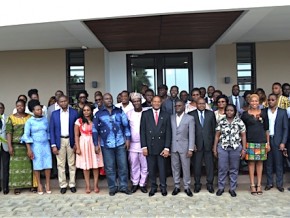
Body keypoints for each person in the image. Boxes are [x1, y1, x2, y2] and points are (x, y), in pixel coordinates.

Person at [93, 93, 131, 196]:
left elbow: (126, 126)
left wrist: (128, 139)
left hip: (120, 143)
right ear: (103, 101)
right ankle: (112, 187)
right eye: (106, 99)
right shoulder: (98, 114)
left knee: (123, 166)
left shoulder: (119, 111)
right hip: (106, 144)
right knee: (110, 167)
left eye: (110, 98)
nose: (109, 100)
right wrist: (96, 144)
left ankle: (123, 186)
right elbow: (95, 130)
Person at [213, 104, 247, 197]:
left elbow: (243, 135)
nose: (229, 112)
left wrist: (244, 149)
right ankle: (221, 188)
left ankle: (232, 188)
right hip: (223, 147)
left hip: (235, 148)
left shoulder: (239, 121)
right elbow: (217, 135)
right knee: (222, 168)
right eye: (227, 110)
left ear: (234, 111)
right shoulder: (221, 121)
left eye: (231, 110)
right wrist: (214, 148)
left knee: (234, 169)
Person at [140, 96, 171, 197]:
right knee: (151, 168)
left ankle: (163, 187)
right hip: (149, 146)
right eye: (155, 101)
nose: (156, 103)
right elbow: (142, 131)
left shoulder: (166, 115)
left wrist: (167, 148)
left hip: (162, 147)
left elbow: (168, 132)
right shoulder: (145, 114)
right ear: (151, 103)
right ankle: (153, 187)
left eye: (158, 102)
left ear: (161, 103)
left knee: (162, 169)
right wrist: (144, 146)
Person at [21, 100, 52, 195]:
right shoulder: (29, 121)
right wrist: (29, 149)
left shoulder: (45, 120)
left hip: (45, 144)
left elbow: (48, 132)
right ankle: (39, 184)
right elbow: (26, 135)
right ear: (33, 111)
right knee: (37, 165)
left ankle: (47, 183)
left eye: (41, 109)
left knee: (48, 164)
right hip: (35, 145)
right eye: (37, 110)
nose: (40, 111)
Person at [241, 94, 270, 195]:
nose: (254, 103)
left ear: (259, 102)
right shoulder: (245, 114)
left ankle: (259, 185)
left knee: (260, 163)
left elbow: (267, 129)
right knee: (251, 163)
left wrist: (268, 143)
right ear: (249, 102)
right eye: (252, 101)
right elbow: (242, 131)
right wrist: (243, 145)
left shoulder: (264, 113)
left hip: (261, 141)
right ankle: (252, 185)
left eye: (256, 101)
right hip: (250, 141)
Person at [50, 95, 78, 194]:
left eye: (65, 101)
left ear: (68, 101)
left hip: (71, 140)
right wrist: (53, 145)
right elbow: (52, 130)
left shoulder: (74, 112)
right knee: (60, 164)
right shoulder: (54, 114)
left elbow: (77, 129)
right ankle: (63, 185)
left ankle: (72, 184)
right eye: (61, 102)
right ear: (58, 103)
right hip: (59, 141)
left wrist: (76, 143)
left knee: (72, 163)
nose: (63, 103)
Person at [188, 98, 216, 194]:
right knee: (197, 166)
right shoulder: (191, 115)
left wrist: (213, 144)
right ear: (196, 104)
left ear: (205, 104)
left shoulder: (210, 114)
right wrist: (192, 144)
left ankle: (210, 184)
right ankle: (197, 184)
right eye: (199, 104)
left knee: (209, 165)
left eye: (203, 104)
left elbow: (213, 130)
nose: (201, 105)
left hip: (208, 144)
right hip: (197, 144)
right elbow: (189, 131)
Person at [6, 99, 34, 195]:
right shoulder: (11, 118)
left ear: (24, 106)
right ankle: (17, 187)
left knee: (29, 166)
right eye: (18, 106)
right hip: (16, 146)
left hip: (28, 146)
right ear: (15, 106)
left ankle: (30, 185)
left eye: (21, 105)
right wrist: (9, 146)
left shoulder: (29, 117)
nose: (19, 107)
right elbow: (9, 132)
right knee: (15, 167)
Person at [75, 104, 104, 194]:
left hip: (94, 143)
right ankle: (87, 185)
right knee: (85, 166)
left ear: (91, 111)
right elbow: (76, 135)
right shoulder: (78, 121)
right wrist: (78, 148)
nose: (86, 112)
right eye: (84, 110)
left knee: (95, 165)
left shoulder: (95, 120)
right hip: (83, 143)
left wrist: (98, 145)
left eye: (88, 110)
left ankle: (95, 185)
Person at [170, 100, 195, 197]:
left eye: (179, 105)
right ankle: (176, 186)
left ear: (184, 107)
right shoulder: (171, 118)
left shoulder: (190, 118)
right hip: (173, 147)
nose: (177, 107)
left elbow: (192, 134)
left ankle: (186, 186)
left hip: (185, 147)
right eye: (176, 106)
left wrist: (191, 149)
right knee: (175, 167)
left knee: (186, 167)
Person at [265, 93, 288, 192]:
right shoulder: (264, 111)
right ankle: (269, 183)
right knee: (268, 163)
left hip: (278, 140)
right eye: (269, 100)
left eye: (273, 100)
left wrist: (283, 142)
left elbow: (286, 128)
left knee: (279, 163)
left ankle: (279, 184)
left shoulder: (282, 112)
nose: (270, 101)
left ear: (277, 100)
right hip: (268, 139)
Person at [126, 93, 148, 194]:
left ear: (141, 101)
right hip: (133, 144)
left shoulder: (147, 112)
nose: (136, 103)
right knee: (134, 164)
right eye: (134, 101)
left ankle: (142, 183)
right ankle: (135, 183)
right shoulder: (128, 113)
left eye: (138, 101)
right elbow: (126, 128)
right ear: (132, 103)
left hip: (145, 144)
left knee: (145, 165)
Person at [0, 103, 10, 194]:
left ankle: (5, 187)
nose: (0, 109)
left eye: (1, 108)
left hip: (5, 146)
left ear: (4, 109)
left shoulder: (8, 118)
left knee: (5, 167)